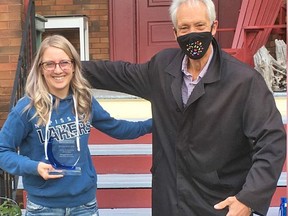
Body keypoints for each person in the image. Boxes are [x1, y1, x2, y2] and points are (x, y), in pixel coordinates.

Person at [82, 0, 286, 215]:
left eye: (200, 26)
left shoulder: (244, 81)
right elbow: (118, 73)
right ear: (175, 32)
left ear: (213, 27)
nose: (193, 34)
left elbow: (271, 142)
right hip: (170, 200)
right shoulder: (162, 68)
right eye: (185, 28)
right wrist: (67, 67)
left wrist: (248, 198)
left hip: (219, 205)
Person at [0, 35, 152, 216]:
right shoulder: (27, 109)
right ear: (40, 69)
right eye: (50, 64)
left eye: (64, 62)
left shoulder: (84, 101)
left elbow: (118, 128)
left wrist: (157, 123)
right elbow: (3, 150)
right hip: (44, 207)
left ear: (73, 66)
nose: (58, 70)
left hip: (84, 205)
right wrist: (34, 166)